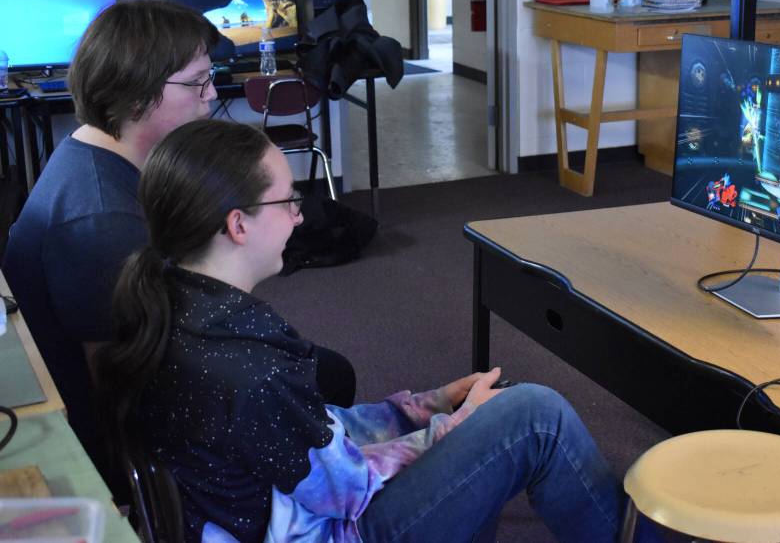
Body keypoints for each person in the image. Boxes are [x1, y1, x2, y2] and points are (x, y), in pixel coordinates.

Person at [94, 120, 625, 542]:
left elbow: (314, 434)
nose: (299, 218)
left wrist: (426, 406)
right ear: (238, 225)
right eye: (288, 201)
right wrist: (455, 426)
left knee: (508, 415)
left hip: (273, 513)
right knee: (536, 416)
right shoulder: (250, 370)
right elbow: (347, 488)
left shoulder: (170, 304)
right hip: (333, 527)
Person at [1, 0, 354, 499]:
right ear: (135, 92)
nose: (210, 96)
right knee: (329, 376)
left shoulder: (93, 155)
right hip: (122, 451)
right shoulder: (100, 221)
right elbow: (123, 392)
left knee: (313, 370)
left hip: (160, 373)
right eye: (197, 82)